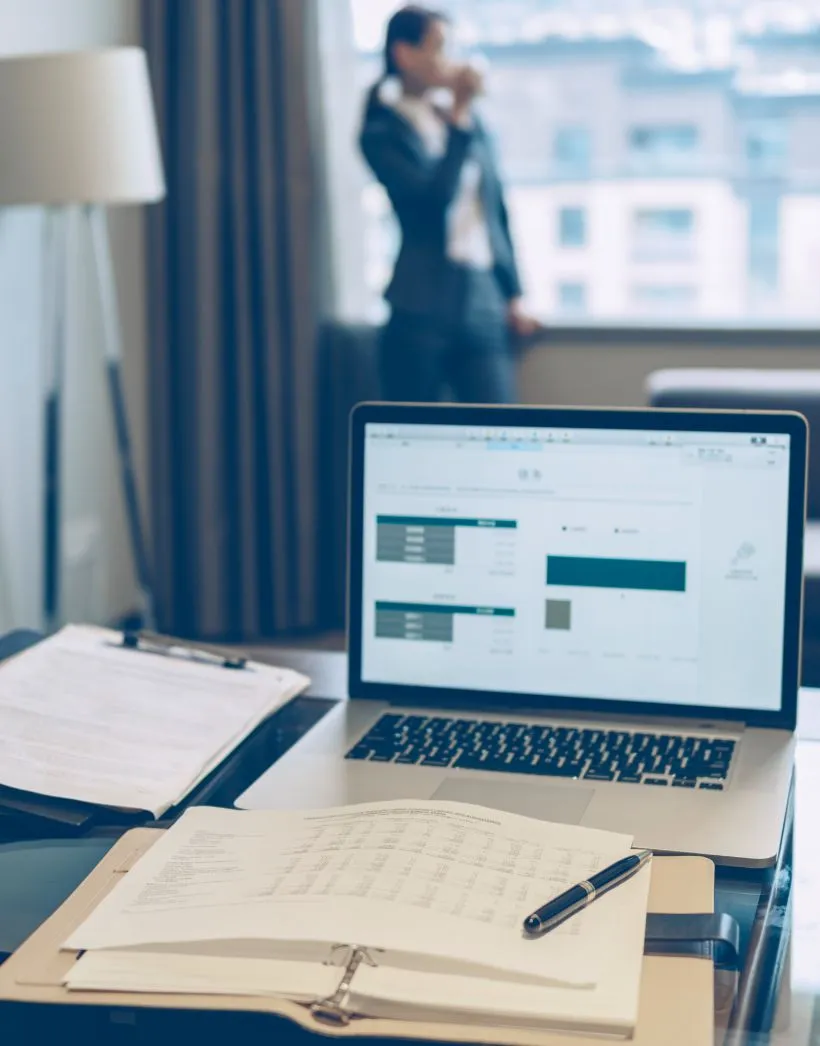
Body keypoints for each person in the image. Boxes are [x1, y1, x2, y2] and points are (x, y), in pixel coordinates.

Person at [360, 4, 538, 404]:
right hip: (420, 303)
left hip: (483, 299)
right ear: (404, 54)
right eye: (439, 46)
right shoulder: (383, 130)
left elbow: (493, 211)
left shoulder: (469, 124)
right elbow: (431, 202)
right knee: (410, 426)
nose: (450, 59)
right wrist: (459, 114)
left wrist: (513, 294)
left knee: (498, 424)